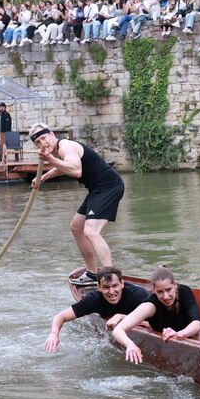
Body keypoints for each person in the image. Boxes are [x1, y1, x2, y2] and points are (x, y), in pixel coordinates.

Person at [30, 122, 125, 286]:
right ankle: (92, 273)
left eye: (44, 138)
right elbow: (64, 167)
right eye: (38, 142)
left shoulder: (66, 145)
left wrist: (50, 159)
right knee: (76, 227)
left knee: (91, 231)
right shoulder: (61, 151)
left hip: (109, 186)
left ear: (52, 135)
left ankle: (111, 279)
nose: (42, 143)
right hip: (96, 189)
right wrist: (43, 178)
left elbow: (75, 170)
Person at [111, 266, 200, 363]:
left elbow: (196, 324)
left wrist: (178, 334)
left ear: (175, 285)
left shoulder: (184, 291)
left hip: (190, 331)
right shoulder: (150, 305)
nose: (166, 296)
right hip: (170, 341)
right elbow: (118, 330)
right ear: (154, 290)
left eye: (169, 290)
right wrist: (130, 345)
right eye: (160, 292)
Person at [43, 266, 147, 352]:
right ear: (99, 287)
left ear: (122, 284)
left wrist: (121, 317)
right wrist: (54, 334)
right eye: (106, 287)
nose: (111, 292)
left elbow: (155, 322)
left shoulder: (138, 295)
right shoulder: (94, 299)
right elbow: (61, 316)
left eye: (115, 286)